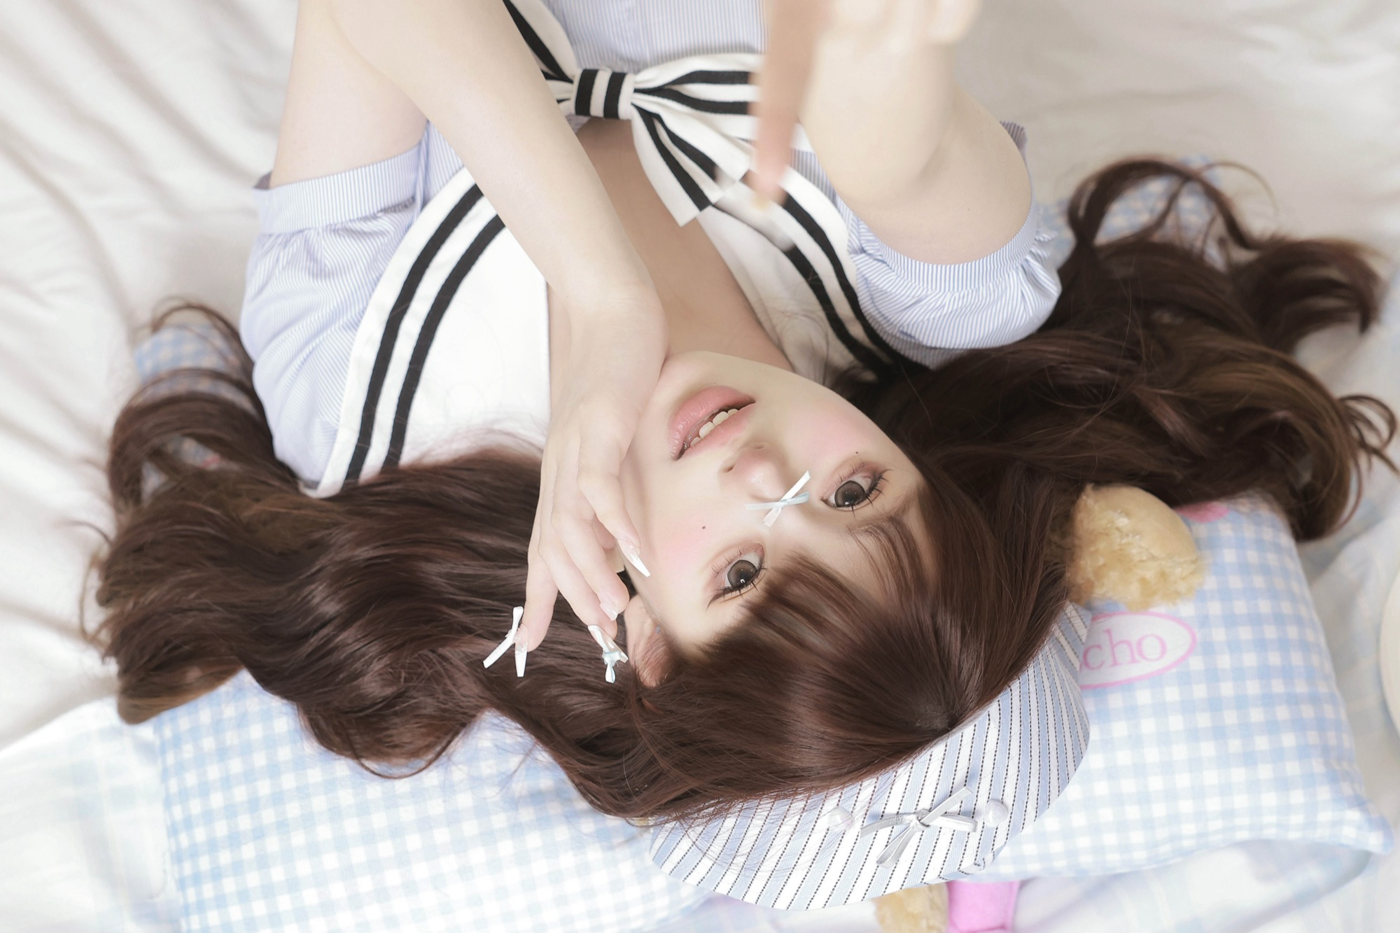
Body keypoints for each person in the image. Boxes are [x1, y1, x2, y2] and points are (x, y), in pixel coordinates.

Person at [97, 0, 1392, 832]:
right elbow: (902, 142)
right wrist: (883, 107)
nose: (768, 473)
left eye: (742, 571)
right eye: (856, 493)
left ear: (644, 641)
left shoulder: (366, 397)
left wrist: (604, 295)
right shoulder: (951, 299)